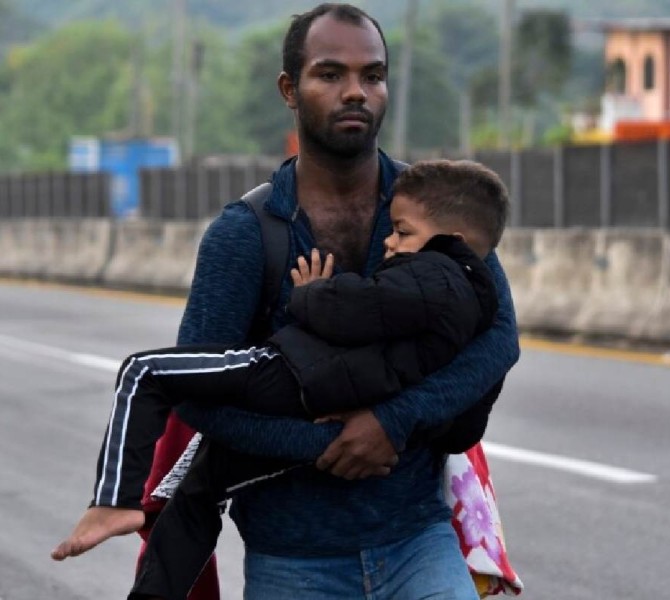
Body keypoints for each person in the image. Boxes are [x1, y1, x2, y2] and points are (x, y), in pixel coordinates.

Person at [55, 4, 520, 599]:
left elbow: (499, 338)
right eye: (330, 74)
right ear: (289, 89)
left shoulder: (430, 207)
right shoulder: (246, 234)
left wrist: (390, 423)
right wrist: (326, 444)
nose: (356, 91)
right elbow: (199, 400)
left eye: (372, 76)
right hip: (293, 561)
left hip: (419, 539)